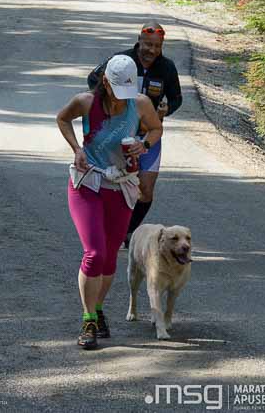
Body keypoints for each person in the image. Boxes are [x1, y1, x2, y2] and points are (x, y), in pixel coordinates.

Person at [58, 55, 163, 349]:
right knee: (94, 252)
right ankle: (88, 320)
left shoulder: (140, 104)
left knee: (109, 256)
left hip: (121, 186)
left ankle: (98, 308)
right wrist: (77, 149)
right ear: (105, 82)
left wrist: (144, 144)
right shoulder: (86, 102)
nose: (121, 99)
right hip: (88, 182)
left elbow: (156, 128)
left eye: (126, 92)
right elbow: (62, 118)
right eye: (117, 92)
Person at [87, 20, 182, 248]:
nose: (151, 50)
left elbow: (177, 98)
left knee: (145, 190)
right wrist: (106, 104)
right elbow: (93, 79)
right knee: (114, 183)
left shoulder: (167, 68)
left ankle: (127, 231)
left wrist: (166, 109)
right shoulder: (121, 60)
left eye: (157, 46)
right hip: (119, 134)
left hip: (149, 134)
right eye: (148, 44)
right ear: (139, 40)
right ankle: (109, 227)